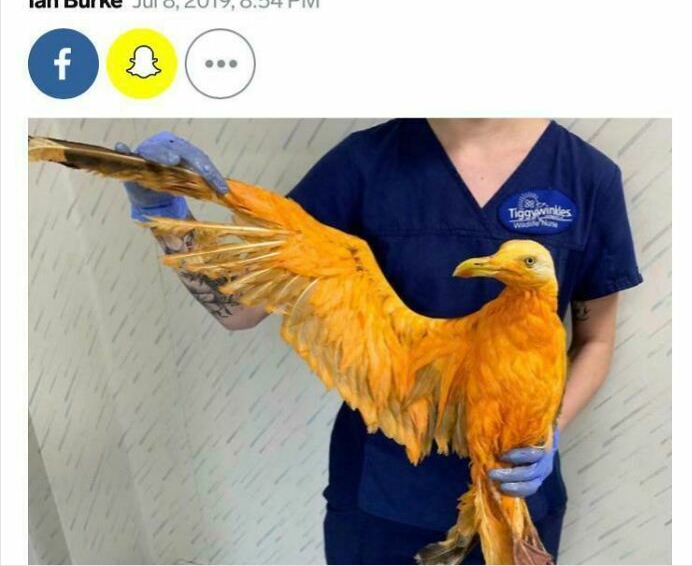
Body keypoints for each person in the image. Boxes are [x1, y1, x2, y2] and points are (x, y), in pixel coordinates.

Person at [117, 119, 642, 565]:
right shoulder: (364, 164)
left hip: (517, 498)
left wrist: (548, 432)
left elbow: (594, 338)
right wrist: (169, 223)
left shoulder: (586, 177)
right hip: (381, 500)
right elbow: (241, 311)